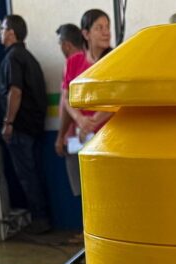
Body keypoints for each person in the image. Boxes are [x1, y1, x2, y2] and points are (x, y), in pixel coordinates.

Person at [0, 14, 50, 234]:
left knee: (27, 176)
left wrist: (8, 122)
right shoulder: (30, 58)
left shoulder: (13, 58)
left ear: (11, 33)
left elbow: (15, 91)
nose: (0, 33)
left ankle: (39, 220)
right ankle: (42, 218)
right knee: (35, 174)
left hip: (21, 128)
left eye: (3, 28)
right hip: (35, 128)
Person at [56, 8, 113, 197]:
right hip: (80, 138)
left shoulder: (114, 60)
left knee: (108, 192)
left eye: (107, 27)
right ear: (86, 34)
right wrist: (80, 119)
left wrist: (93, 121)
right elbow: (67, 97)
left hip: (107, 138)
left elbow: (115, 99)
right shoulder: (74, 62)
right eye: (99, 28)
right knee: (85, 194)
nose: (106, 32)